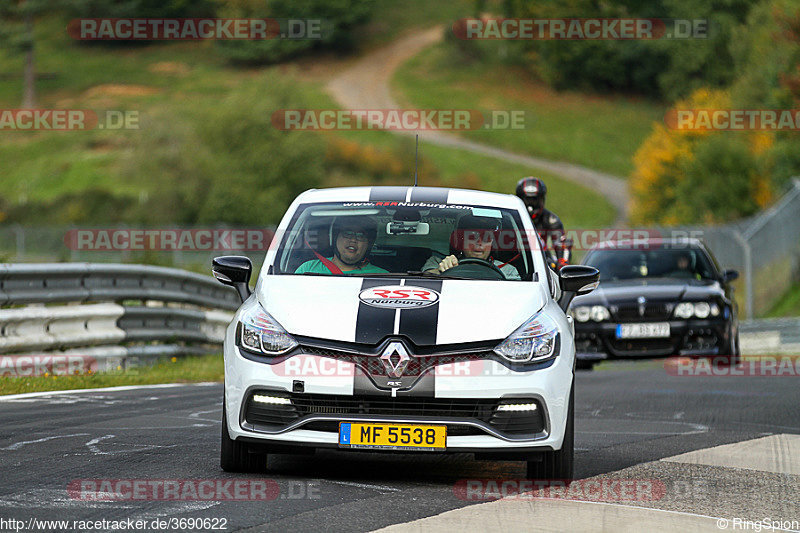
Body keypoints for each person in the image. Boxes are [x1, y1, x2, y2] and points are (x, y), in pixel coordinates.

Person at [422, 214, 521, 280]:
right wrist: (441, 270)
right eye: (472, 237)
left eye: (486, 238)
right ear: (461, 241)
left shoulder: (507, 270)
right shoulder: (438, 262)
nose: (479, 242)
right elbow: (424, 281)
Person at [295, 215, 388, 275]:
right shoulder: (308, 269)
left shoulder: (381, 276)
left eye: (360, 236)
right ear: (335, 238)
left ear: (368, 244)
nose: (353, 240)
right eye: (347, 234)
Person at [515, 177, 572, 270]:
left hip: (542, 260)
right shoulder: (511, 217)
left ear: (542, 199)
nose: (530, 206)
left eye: (534, 200)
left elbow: (561, 243)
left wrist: (562, 263)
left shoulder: (551, 220)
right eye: (527, 200)